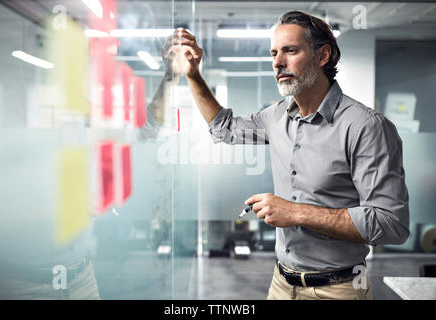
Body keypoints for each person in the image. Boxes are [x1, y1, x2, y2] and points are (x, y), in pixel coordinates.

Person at [167, 11, 410, 300]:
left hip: (340, 289)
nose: (277, 62)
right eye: (274, 53)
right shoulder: (277, 116)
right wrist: (193, 75)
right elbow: (225, 129)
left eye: (290, 51)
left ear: (322, 56)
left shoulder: (365, 127)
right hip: (281, 284)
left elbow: (391, 224)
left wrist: (295, 212)